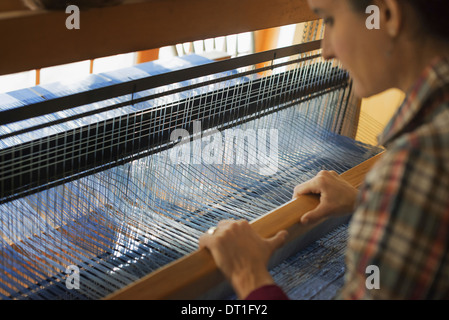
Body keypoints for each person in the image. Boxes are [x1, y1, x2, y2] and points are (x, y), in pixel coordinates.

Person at [199, 0, 449, 300]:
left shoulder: (419, 161)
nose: (325, 50)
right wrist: (370, 204)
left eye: (329, 20)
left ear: (386, 15)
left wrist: (248, 274)